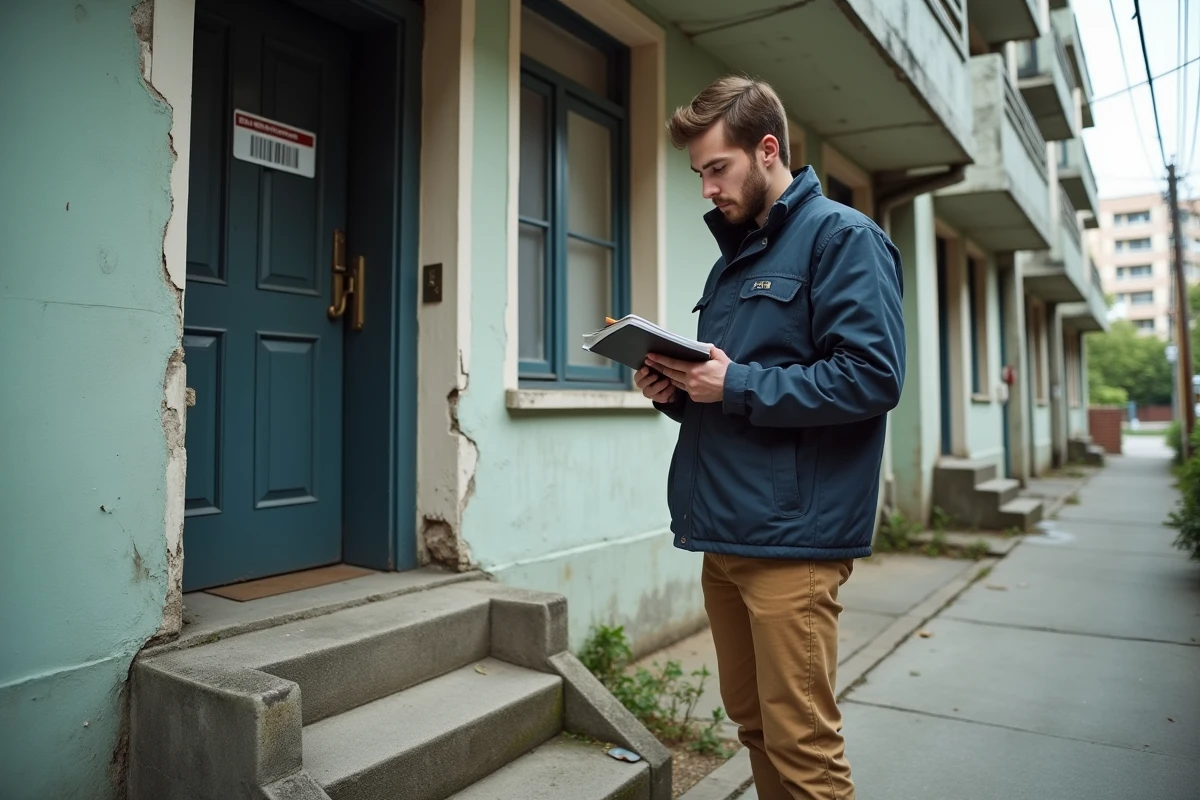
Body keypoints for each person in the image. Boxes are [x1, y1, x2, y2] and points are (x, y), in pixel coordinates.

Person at [637, 76, 906, 800]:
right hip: (725, 536)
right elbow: (735, 392)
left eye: (716, 168)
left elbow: (871, 378)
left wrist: (736, 384)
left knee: (805, 748)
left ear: (766, 150)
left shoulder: (844, 239)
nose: (706, 189)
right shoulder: (735, 260)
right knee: (755, 728)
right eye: (698, 174)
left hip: (793, 543)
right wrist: (679, 394)